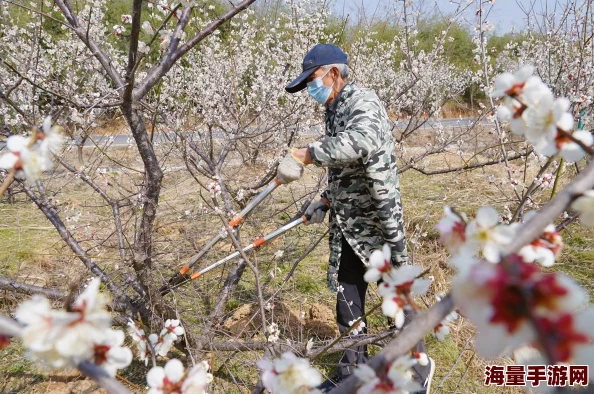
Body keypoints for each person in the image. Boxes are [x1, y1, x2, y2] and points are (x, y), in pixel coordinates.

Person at [276, 43, 435, 392]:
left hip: (376, 221)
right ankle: (352, 372)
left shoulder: (362, 102)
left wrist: (308, 153)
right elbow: (349, 169)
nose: (309, 90)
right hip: (350, 222)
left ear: (334, 73)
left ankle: (418, 368)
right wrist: (325, 198)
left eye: (312, 80)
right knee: (348, 293)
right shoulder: (333, 108)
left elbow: (362, 142)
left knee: (393, 293)